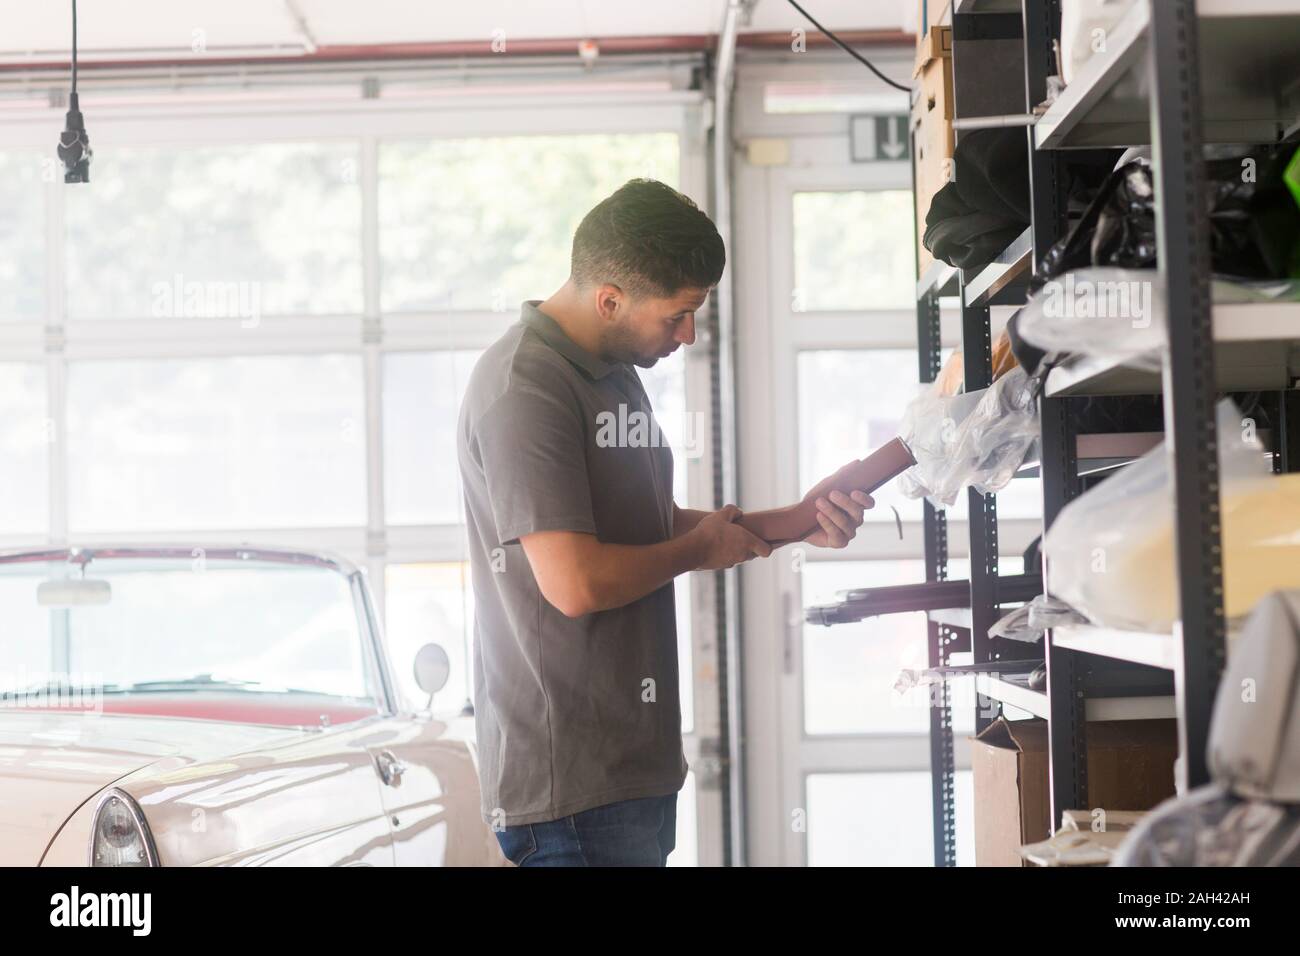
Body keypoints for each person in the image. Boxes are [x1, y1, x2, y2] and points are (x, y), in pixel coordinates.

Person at [456, 178, 875, 866]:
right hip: (574, 794)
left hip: (629, 772)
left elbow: (655, 524)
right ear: (610, 299)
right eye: (678, 314)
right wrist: (700, 549)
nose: (688, 334)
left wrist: (799, 519)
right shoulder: (524, 389)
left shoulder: (611, 370)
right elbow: (575, 582)